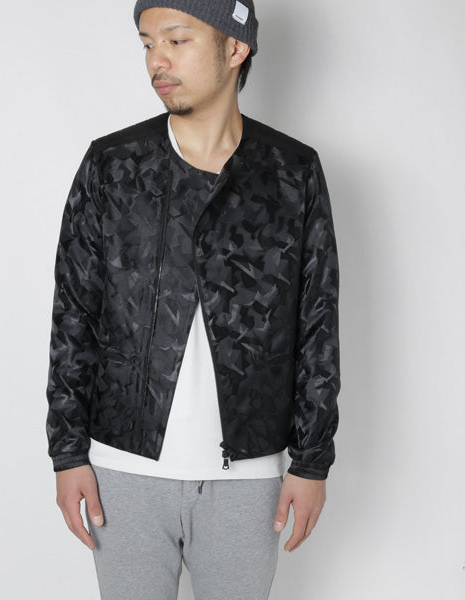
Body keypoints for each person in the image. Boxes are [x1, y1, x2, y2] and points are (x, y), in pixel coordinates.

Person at [45, 1, 341, 599]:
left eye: (177, 41)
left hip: (248, 479)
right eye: (148, 43)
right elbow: (74, 313)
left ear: (236, 48)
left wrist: (311, 461)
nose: (157, 60)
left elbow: (318, 323)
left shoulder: (291, 172)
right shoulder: (112, 166)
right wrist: (67, 453)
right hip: (123, 470)